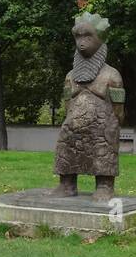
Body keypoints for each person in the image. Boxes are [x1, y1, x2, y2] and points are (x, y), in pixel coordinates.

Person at [50, 13, 125, 201]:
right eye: (78, 37)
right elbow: (67, 104)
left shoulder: (111, 76)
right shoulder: (70, 76)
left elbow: (118, 107)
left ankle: (104, 186)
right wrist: (69, 121)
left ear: (100, 39)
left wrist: (115, 123)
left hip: (103, 127)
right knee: (66, 144)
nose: (81, 42)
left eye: (88, 36)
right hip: (73, 127)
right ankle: (66, 184)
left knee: (103, 150)